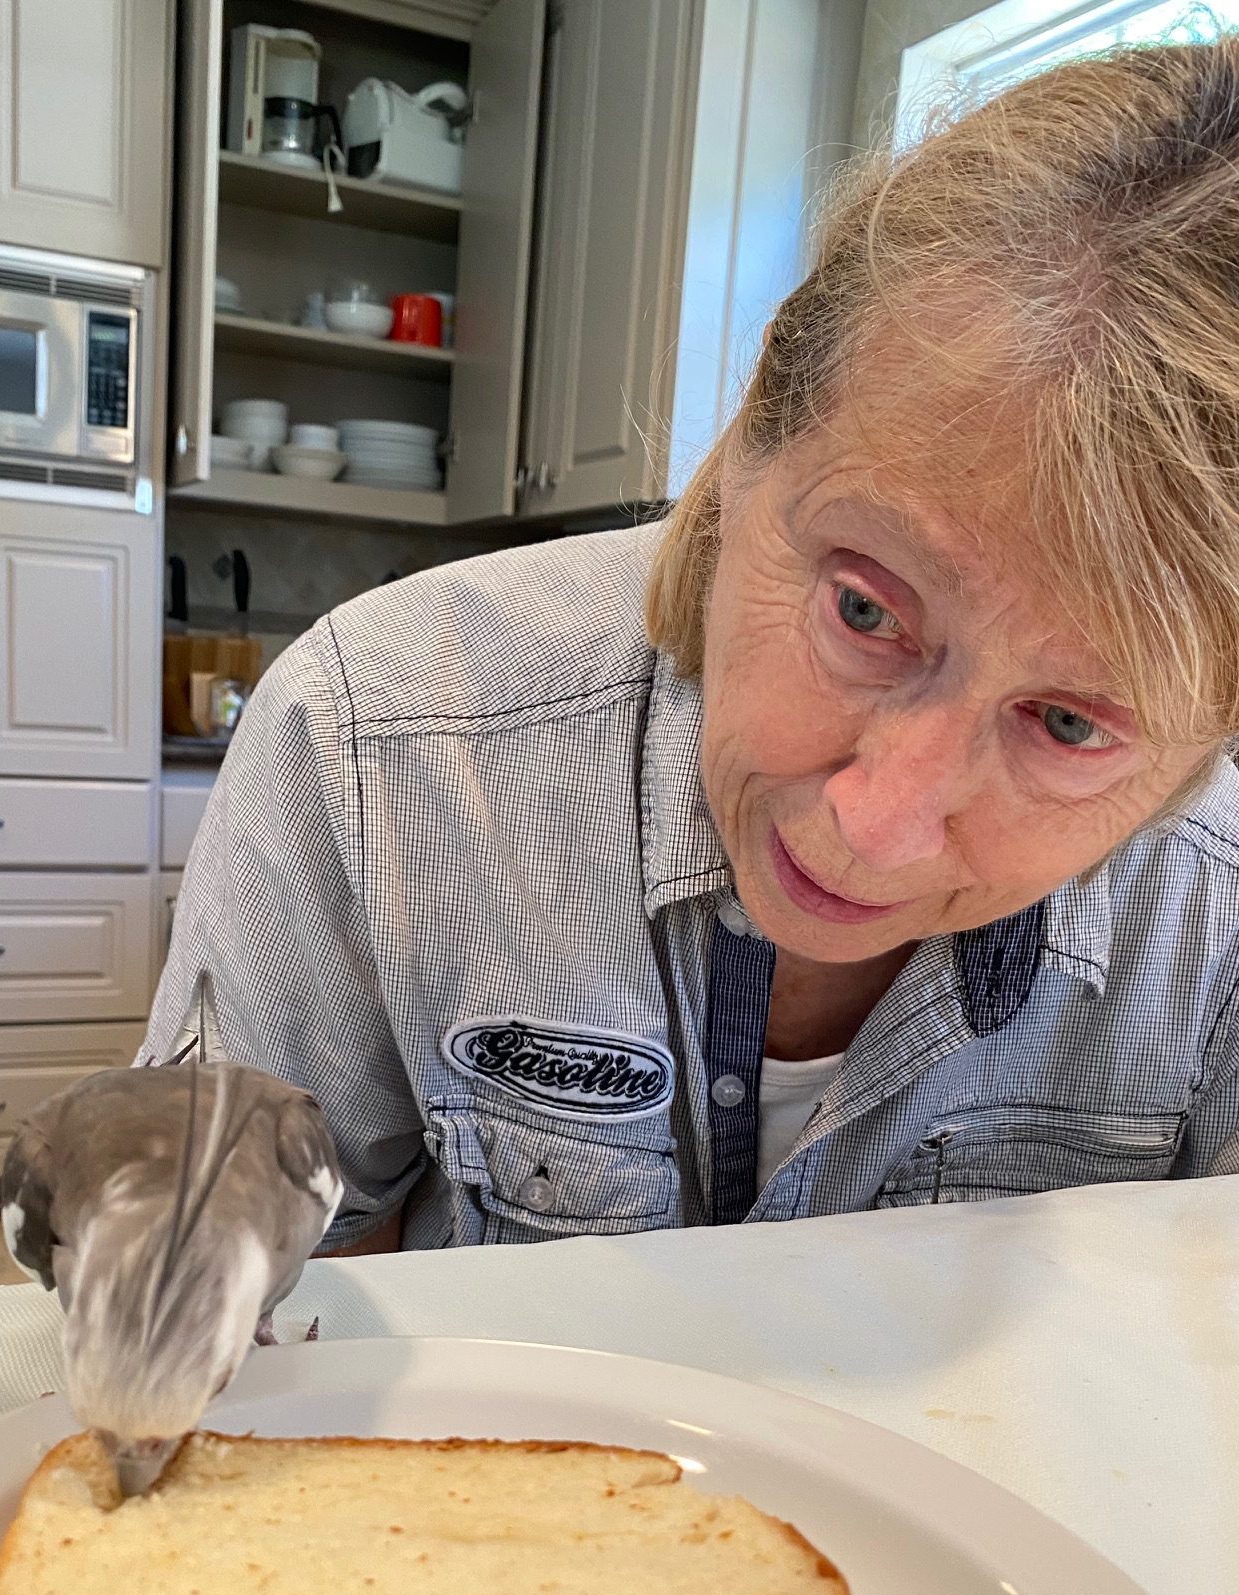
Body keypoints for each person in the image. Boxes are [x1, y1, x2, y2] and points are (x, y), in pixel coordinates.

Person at [146, 39, 1239, 1252]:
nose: (876, 826)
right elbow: (219, 1311)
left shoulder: (1221, 905)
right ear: (751, 436)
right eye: (864, 611)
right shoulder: (374, 740)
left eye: (1073, 724)